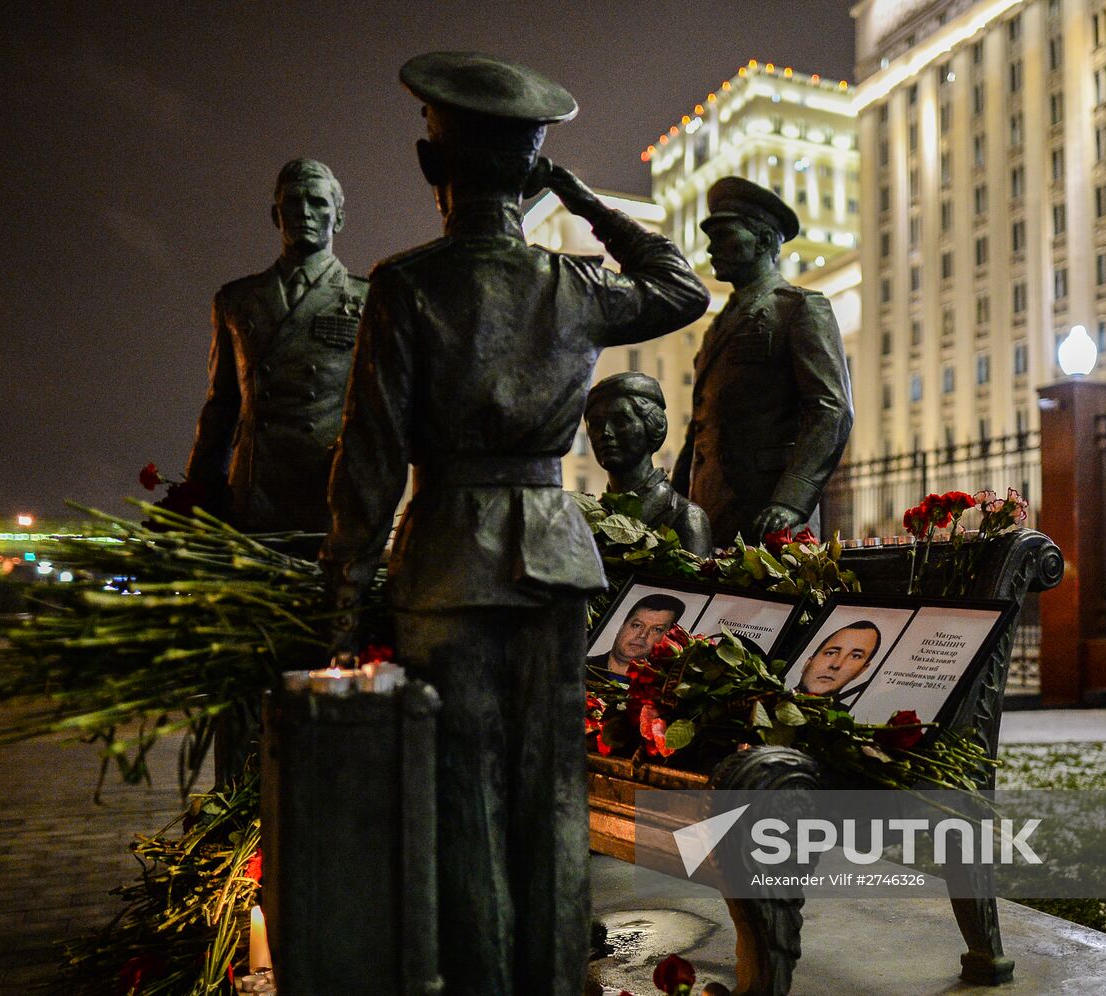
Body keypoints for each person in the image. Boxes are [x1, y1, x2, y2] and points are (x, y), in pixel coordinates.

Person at [321, 52, 708, 996]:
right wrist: (580, 196)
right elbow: (682, 286)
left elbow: (369, 463)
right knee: (553, 794)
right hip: (554, 561)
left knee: (466, 794)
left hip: (449, 560)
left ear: (430, 167)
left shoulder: (406, 284)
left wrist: (336, 603)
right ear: (533, 171)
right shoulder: (571, 284)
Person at [186, 159, 368, 538]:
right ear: (276, 215)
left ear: (339, 218)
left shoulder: (369, 298)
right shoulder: (236, 300)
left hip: (329, 497)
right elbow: (220, 407)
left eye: (318, 202)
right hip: (253, 496)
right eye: (293, 202)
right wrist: (197, 495)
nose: (304, 212)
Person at [671, 176, 854, 546]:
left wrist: (792, 501)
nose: (711, 249)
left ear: (766, 240)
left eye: (723, 235)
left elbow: (831, 408)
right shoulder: (718, 326)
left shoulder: (799, 308)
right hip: (711, 512)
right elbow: (702, 428)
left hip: (771, 517)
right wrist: (677, 502)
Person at [584, 372, 712, 556]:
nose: (605, 433)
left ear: (651, 426)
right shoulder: (589, 519)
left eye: (620, 421)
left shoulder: (685, 517)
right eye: (595, 425)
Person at [587, 592, 687, 677]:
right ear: (622, 627)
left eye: (657, 629)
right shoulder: (579, 666)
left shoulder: (660, 687)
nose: (642, 635)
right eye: (637, 625)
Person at [797, 620, 882, 704]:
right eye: (830, 653)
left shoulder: (844, 717)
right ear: (807, 662)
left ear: (861, 670)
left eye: (855, 656)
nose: (836, 665)